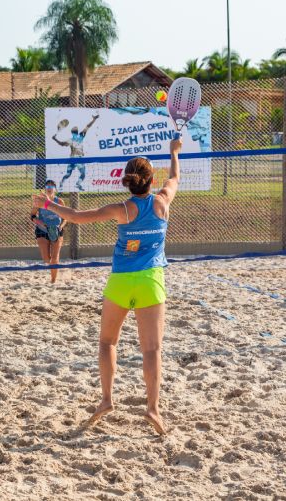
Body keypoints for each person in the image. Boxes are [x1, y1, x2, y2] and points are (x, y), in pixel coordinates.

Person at [33, 137, 182, 435]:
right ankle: (152, 408)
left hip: (120, 282)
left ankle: (106, 400)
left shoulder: (122, 209)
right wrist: (174, 152)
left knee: (107, 343)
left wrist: (46, 204)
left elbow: (75, 217)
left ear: (127, 183)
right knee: (152, 350)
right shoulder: (162, 202)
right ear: (150, 180)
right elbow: (175, 178)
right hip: (151, 281)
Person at [30, 179, 67, 283]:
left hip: (56, 229)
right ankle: (52, 271)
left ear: (55, 189)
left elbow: (66, 217)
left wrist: (61, 226)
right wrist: (40, 223)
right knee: (47, 259)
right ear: (45, 189)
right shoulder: (39, 201)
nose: (49, 188)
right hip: (42, 230)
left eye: (52, 187)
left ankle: (53, 281)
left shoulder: (59, 201)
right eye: (47, 187)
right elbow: (32, 216)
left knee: (54, 259)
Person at [52, 113, 99, 191]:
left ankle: (61, 184)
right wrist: (94, 119)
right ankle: (78, 184)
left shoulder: (70, 140)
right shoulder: (81, 136)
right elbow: (88, 126)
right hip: (79, 158)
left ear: (72, 132)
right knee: (83, 174)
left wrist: (55, 139)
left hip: (72, 159)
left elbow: (61, 144)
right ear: (77, 132)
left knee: (68, 174)